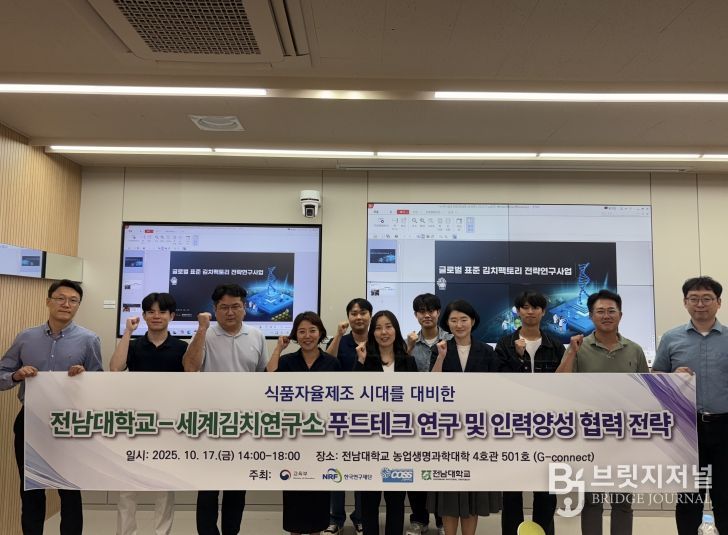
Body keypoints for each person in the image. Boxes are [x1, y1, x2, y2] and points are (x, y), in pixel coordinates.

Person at [0, 279, 102, 535]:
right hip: (31, 421)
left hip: (70, 423)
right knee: (31, 490)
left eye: (73, 300)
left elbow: (99, 384)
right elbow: (2, 375)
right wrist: (16, 375)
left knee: (70, 491)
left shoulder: (89, 339)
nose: (66, 304)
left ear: (78, 305)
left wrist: (84, 377)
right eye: (60, 298)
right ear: (48, 301)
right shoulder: (26, 337)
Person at [556, 289, 648, 535]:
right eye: (600, 311)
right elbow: (559, 384)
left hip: (625, 437)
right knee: (592, 502)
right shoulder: (578, 347)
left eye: (611, 311)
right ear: (590, 315)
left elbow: (647, 393)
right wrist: (571, 352)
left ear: (620, 315)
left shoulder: (635, 349)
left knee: (623, 503)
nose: (606, 316)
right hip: (590, 436)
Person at [183, 283, 268, 535]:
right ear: (214, 309)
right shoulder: (204, 334)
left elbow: (262, 377)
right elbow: (190, 368)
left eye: (235, 306)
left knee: (236, 489)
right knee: (208, 489)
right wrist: (201, 329)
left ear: (245, 307)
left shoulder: (257, 335)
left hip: (243, 424)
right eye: (223, 307)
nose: (230, 312)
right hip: (210, 423)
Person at [652, 276, 728, 535]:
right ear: (685, 302)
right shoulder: (671, 338)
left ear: (718, 302)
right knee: (688, 497)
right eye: (694, 298)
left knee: (725, 496)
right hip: (686, 427)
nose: (700, 304)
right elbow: (656, 378)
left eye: (707, 298)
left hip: (724, 426)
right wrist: (672, 378)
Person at [109, 292, 187, 535]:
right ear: (143, 316)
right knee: (127, 487)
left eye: (162, 311)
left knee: (164, 486)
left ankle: (162, 532)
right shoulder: (133, 345)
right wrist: (127, 332)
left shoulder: (181, 347)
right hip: (136, 422)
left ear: (171, 316)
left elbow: (193, 373)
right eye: (150, 312)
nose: (156, 316)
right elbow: (115, 368)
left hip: (169, 424)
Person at [429, 300, 507, 535]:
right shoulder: (440, 349)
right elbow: (431, 387)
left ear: (472, 321)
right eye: (453, 320)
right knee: (449, 494)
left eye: (464, 319)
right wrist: (441, 357)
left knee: (472, 492)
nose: (459, 324)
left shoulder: (487, 351)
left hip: (476, 431)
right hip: (448, 431)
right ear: (447, 323)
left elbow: (496, 390)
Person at [495, 290, 563, 535]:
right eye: (525, 307)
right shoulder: (504, 344)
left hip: (547, 426)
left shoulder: (555, 345)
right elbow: (499, 382)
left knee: (546, 490)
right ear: (518, 311)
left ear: (543, 311)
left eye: (535, 307)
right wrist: (518, 357)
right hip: (513, 425)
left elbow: (564, 385)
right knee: (512, 490)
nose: (530, 312)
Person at [267, 311, 340, 535]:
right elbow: (267, 381)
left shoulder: (332, 363)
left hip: (321, 438)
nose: (307, 336)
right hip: (293, 439)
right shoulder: (287, 361)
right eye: (302, 331)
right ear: (295, 336)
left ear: (321, 333)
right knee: (295, 496)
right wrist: (278, 349)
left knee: (318, 496)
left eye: (312, 330)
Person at [355, 310, 417, 534]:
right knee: (369, 501)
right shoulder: (364, 360)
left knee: (396, 501)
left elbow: (416, 400)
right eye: (379, 328)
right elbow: (353, 398)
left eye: (388, 326)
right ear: (372, 333)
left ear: (396, 330)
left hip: (399, 441)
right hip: (370, 441)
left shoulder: (408, 361)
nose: (384, 332)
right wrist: (360, 363)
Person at [324, 298, 372, 535]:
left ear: (370, 316)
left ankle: (361, 517)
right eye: (354, 313)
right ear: (348, 317)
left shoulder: (378, 339)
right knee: (337, 467)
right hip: (340, 413)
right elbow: (327, 361)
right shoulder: (341, 340)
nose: (358, 317)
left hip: (368, 414)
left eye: (363, 312)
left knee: (362, 466)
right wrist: (338, 335)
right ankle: (336, 518)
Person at [405, 293, 450, 535]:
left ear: (438, 312)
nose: (427, 315)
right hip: (415, 417)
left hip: (445, 416)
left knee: (441, 470)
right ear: (416, 315)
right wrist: (408, 348)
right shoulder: (410, 343)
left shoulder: (451, 340)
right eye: (421, 311)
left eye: (431, 310)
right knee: (415, 469)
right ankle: (419, 519)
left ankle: (443, 520)